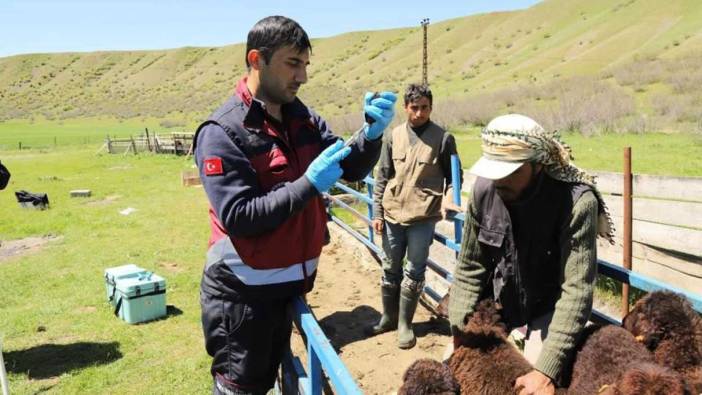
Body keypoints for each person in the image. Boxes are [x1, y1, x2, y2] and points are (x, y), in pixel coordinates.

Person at [193, 16, 397, 395]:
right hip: (242, 298)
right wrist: (306, 185)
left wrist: (371, 134)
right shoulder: (222, 133)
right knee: (243, 388)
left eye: (305, 65)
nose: (302, 76)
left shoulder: (302, 118)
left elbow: (349, 166)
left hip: (286, 288)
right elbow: (240, 216)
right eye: (292, 63)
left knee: (281, 376)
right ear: (257, 59)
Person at [447, 114, 615, 394]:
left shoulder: (576, 203)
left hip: (549, 307)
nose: (499, 180)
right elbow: (469, 268)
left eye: (511, 171)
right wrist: (459, 332)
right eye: (495, 171)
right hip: (500, 303)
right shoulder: (484, 191)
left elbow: (577, 290)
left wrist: (545, 371)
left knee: (532, 386)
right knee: (454, 375)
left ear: (538, 165)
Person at [367, 83, 462, 349]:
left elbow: (455, 177)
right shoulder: (392, 136)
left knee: (414, 271)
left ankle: (405, 325)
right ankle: (388, 317)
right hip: (392, 213)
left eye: (425, 108)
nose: (420, 113)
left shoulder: (443, 139)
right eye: (415, 107)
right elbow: (382, 176)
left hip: (423, 216)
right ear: (405, 108)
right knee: (389, 268)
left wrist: (450, 198)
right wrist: (377, 213)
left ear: (431, 108)